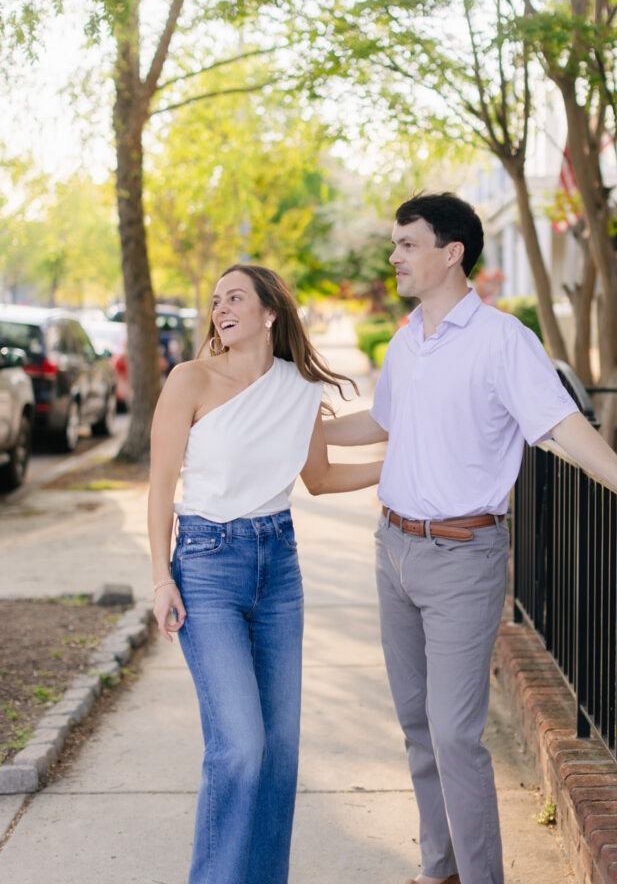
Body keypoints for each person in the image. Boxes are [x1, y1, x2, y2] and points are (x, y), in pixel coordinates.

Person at [323, 193, 617, 884]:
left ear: (450, 252)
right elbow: (383, 420)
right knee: (416, 727)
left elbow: (558, 423)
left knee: (454, 733)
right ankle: (441, 868)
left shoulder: (502, 340)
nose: (393, 257)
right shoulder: (406, 339)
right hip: (392, 549)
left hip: (462, 556)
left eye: (405, 244)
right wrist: (302, 431)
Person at [148, 263, 382, 884]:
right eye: (216, 298)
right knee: (240, 747)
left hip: (279, 564)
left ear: (270, 312)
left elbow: (321, 477)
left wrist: (397, 463)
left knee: (279, 755)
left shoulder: (297, 388)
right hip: (204, 565)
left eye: (235, 297)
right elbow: (161, 486)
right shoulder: (189, 380)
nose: (221, 307)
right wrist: (159, 577)